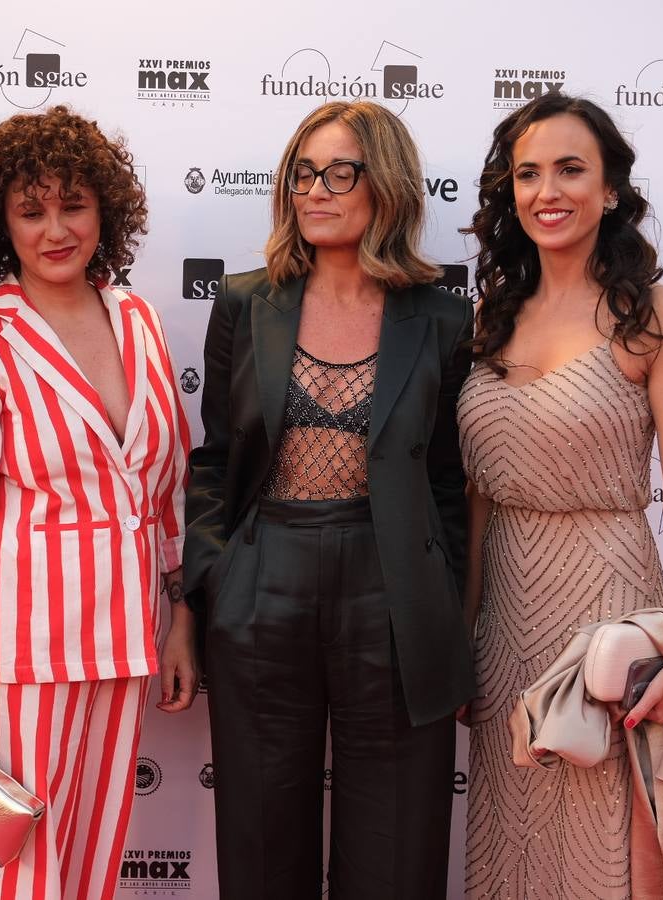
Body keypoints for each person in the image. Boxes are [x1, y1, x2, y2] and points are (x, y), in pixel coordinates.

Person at [183, 100, 474, 899]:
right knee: (261, 844)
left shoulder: (445, 319)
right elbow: (215, 459)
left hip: (394, 591)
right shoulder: (245, 302)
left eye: (340, 172)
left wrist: (447, 615)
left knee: (396, 851)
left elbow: (448, 484)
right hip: (261, 580)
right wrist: (214, 580)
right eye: (303, 173)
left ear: (387, 184)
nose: (315, 189)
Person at [0, 105, 197, 900]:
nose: (55, 230)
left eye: (73, 205)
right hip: (22, 661)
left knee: (91, 874)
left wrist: (181, 618)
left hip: (126, 646)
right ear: (1, 223)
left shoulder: (139, 322)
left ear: (104, 209)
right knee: (13, 879)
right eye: (30, 211)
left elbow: (166, 492)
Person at [458, 93, 663, 899]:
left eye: (571, 169)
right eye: (528, 174)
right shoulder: (490, 318)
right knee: (512, 846)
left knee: (609, 846)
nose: (548, 191)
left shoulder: (658, 318)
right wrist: (465, 634)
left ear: (610, 191)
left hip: (609, 618)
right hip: (505, 624)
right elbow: (478, 498)